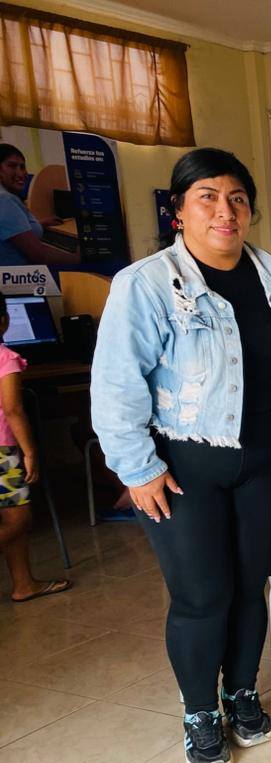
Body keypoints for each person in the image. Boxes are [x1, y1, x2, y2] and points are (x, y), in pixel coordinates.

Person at [92, 148, 271, 763]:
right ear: (178, 211)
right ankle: (200, 712)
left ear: (249, 210)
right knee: (203, 595)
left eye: (236, 198)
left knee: (251, 586)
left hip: (264, 454)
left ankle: (241, 693)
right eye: (207, 197)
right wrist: (137, 468)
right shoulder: (145, 285)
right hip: (181, 463)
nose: (224, 211)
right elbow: (116, 385)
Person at [0, 292, 72, 603]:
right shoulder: (5, 358)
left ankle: (23, 583)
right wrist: (30, 452)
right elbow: (13, 409)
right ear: (4, 321)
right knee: (19, 520)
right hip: (2, 452)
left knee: (11, 515)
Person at [0, 144, 80, 267]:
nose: (21, 173)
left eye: (22, 167)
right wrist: (78, 258)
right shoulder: (5, 200)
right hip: (22, 275)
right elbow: (41, 256)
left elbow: (11, 229)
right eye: (12, 166)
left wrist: (40, 223)